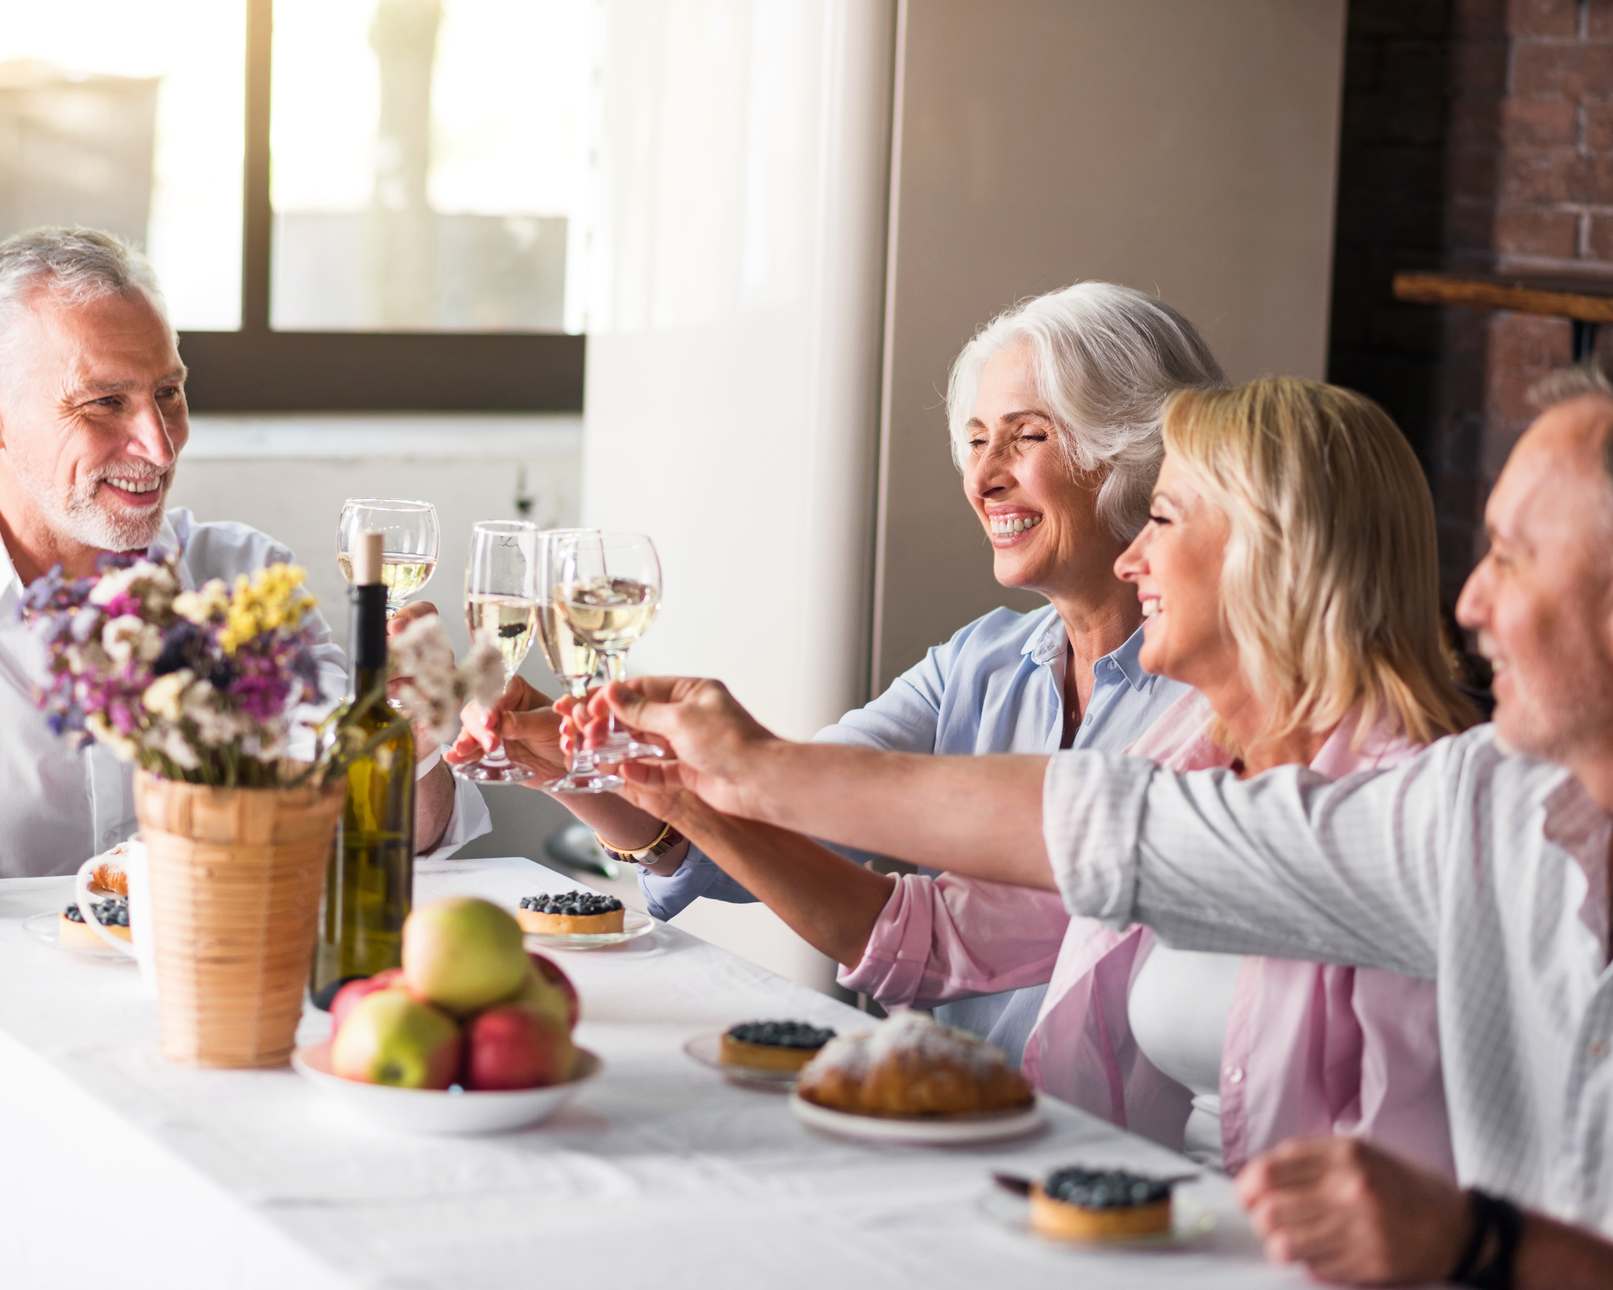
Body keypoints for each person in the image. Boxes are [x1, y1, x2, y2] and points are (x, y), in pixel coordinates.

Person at [599, 354, 1613, 1290]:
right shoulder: (1479, 807)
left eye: (1511, 558)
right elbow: (1098, 836)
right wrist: (730, 780)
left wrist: (1479, 1246)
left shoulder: (1426, 784)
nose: (1468, 604)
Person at [608, 379, 1467, 1175]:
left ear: (1269, 552)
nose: (1133, 559)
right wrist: (684, 794)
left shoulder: (1407, 808)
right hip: (1140, 1214)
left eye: (1161, 519)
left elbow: (1087, 824)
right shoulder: (1187, 752)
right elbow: (930, 935)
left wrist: (757, 767)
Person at [450, 281, 1217, 1054]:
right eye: (977, 440)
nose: (984, 476)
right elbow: (777, 826)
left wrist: (708, 772)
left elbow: (921, 930)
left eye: (1027, 437)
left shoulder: (1218, 709)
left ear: (1129, 450)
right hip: (945, 1110)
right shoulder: (977, 663)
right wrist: (569, 764)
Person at [0, 226, 489, 991]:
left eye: (168, 393)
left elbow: (400, 838)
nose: (158, 445)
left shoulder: (248, 580)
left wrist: (412, 739)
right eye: (105, 403)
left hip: (219, 1024)